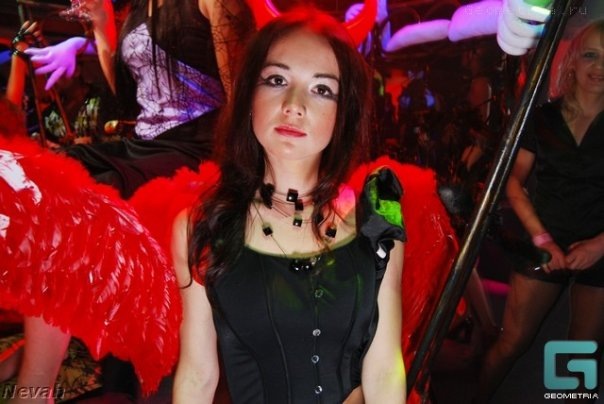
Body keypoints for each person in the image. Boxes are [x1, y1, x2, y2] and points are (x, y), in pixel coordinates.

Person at [171, 8, 407, 403]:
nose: (294, 105)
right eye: (277, 80)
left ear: (343, 113)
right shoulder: (201, 228)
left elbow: (385, 371)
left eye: (322, 89)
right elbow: (197, 375)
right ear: (249, 95)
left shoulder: (378, 222)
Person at [476, 19, 604, 403]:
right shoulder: (544, 118)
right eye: (591, 55)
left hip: (600, 246)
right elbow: (513, 183)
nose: (599, 67)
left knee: (581, 349)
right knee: (511, 343)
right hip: (543, 239)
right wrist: (542, 238)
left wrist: (599, 246)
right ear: (573, 60)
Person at [24, 0, 254, 198]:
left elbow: (242, 98)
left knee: (104, 183)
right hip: (144, 145)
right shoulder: (138, 10)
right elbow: (127, 100)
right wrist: (100, 19)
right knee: (53, 165)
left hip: (196, 148)